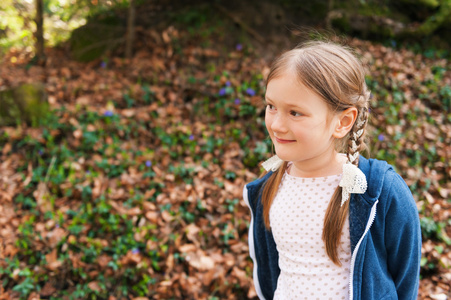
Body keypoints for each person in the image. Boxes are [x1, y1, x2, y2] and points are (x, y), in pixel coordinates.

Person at [243, 41, 421, 300]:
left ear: (343, 122)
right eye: (271, 106)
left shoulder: (377, 190)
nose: (277, 125)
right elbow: (270, 269)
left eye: (295, 112)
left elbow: (405, 276)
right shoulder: (268, 187)